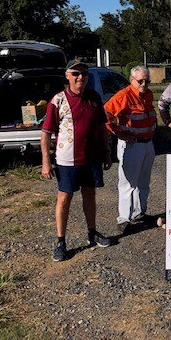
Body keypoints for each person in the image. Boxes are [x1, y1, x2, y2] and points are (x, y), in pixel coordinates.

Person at [40, 59, 113, 262]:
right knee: (64, 199)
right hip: (66, 160)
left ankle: (92, 233)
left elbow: (101, 127)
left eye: (84, 74)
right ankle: (61, 241)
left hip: (91, 159)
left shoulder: (94, 97)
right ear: (67, 76)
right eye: (75, 74)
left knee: (89, 195)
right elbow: (45, 133)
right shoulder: (58, 101)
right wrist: (46, 161)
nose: (80, 77)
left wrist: (107, 152)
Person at [104, 65, 157, 234]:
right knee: (128, 183)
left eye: (147, 81)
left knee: (143, 181)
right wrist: (119, 133)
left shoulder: (148, 94)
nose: (144, 84)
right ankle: (124, 218)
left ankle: (139, 213)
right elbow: (105, 115)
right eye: (140, 81)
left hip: (148, 143)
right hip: (132, 144)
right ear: (132, 80)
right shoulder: (124, 96)